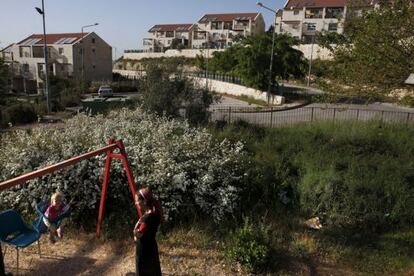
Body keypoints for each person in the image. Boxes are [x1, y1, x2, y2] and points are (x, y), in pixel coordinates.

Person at [133, 187, 163, 276]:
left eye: (137, 200)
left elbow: (138, 234)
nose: (136, 203)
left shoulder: (146, 218)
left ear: (144, 201)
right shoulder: (155, 214)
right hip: (152, 248)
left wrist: (135, 231)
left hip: (144, 251)